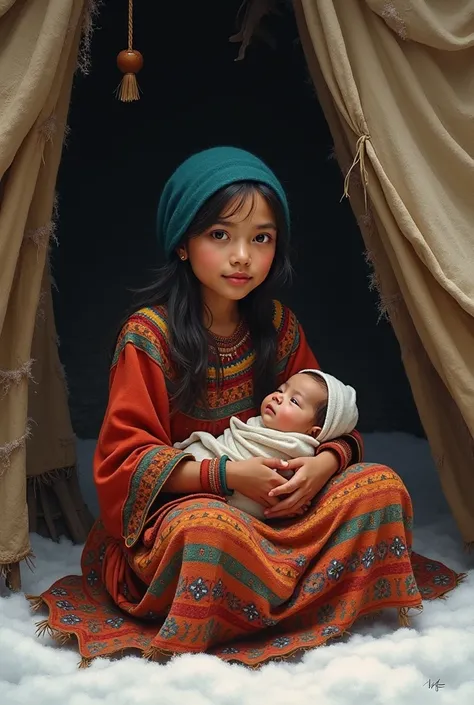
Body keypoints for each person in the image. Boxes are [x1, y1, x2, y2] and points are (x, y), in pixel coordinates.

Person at [29, 147, 462, 668]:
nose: (242, 256)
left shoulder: (278, 327)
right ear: (184, 243)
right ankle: (286, 592)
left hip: (281, 511)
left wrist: (322, 463)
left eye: (261, 238)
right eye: (220, 235)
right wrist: (229, 476)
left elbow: (336, 423)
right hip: (191, 514)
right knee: (211, 532)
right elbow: (125, 465)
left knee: (381, 486)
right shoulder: (149, 337)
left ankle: (263, 594)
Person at [174, 369, 359, 520]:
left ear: (314, 432)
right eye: (280, 390)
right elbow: (227, 443)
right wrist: (226, 473)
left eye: (294, 401)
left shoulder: (297, 450)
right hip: (191, 475)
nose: (278, 397)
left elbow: (285, 489)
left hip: (228, 508)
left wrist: (327, 461)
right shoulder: (256, 424)